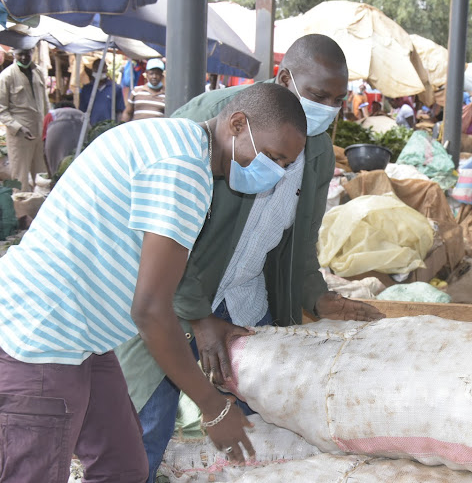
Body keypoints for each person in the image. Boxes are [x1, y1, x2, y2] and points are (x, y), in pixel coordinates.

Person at [0, 83, 308, 482]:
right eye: (272, 157)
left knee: (125, 466)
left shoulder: (174, 141)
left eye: (285, 165)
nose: (276, 174)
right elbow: (150, 311)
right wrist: (212, 405)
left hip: (86, 340)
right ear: (236, 124)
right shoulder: (182, 172)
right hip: (43, 342)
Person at [115, 34, 384, 482]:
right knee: (145, 421)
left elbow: (299, 243)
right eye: (318, 95)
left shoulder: (315, 148)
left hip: (241, 301)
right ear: (284, 78)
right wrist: (198, 317)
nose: (328, 109)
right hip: (175, 297)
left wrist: (317, 297)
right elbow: (166, 236)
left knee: (255, 433)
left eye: (338, 99)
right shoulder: (217, 120)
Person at [0, 48, 49, 191]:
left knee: (42, 177)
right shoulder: (6, 76)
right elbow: (1, 109)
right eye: (20, 54)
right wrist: (18, 127)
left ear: (32, 52)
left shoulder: (38, 71)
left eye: (26, 54)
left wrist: (47, 124)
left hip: (39, 132)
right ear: (14, 54)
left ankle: (39, 208)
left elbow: (45, 102)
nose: (23, 57)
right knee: (20, 178)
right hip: (20, 135)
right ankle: (21, 210)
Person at [42, 99, 84, 178]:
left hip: (56, 130)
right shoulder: (81, 114)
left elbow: (45, 141)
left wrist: (50, 174)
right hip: (80, 127)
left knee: (58, 166)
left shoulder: (52, 114)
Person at [79, 58, 125, 126]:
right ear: (93, 70)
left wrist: (117, 126)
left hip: (109, 128)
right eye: (96, 69)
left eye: (102, 68)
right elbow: (82, 112)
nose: (99, 71)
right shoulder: (86, 89)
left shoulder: (115, 88)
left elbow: (119, 111)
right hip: (90, 129)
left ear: (106, 70)